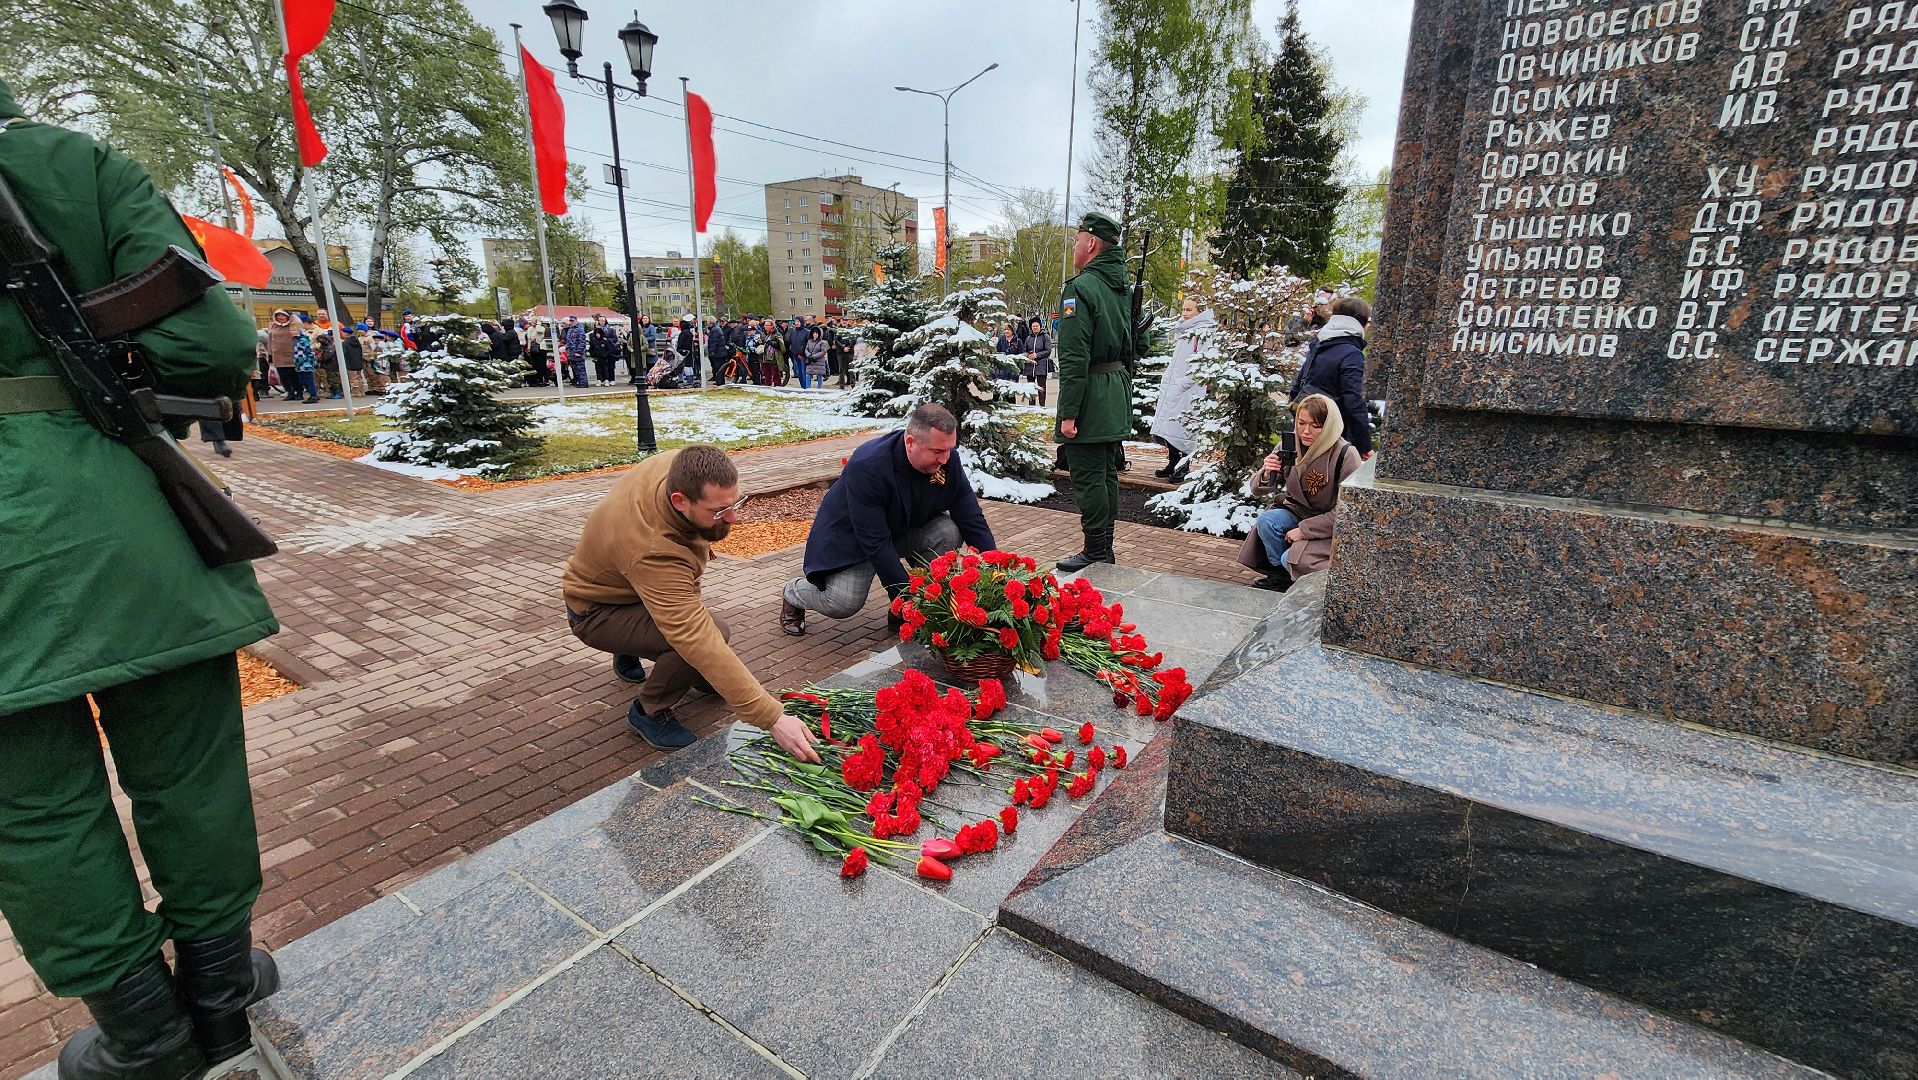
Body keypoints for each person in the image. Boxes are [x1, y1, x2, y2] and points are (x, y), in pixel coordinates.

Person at [0, 75, 283, 1079]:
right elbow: (209, 341)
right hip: (123, 526)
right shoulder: (70, 162)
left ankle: (144, 1039)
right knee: (190, 774)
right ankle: (219, 999)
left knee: (34, 814)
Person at [563, 445, 823, 759]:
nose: (733, 518)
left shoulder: (678, 466)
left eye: (735, 503)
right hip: (596, 610)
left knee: (706, 643)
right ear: (680, 501)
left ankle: (635, 648)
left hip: (627, 584)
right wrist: (773, 718)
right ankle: (648, 711)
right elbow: (694, 637)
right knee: (702, 639)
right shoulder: (653, 550)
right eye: (719, 512)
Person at [779, 404, 994, 634]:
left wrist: (995, 569)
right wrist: (903, 597)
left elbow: (971, 517)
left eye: (949, 449)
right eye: (937, 452)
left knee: (948, 531)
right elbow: (875, 540)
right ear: (910, 442)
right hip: (853, 541)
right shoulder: (868, 465)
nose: (945, 458)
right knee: (842, 602)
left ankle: (912, 609)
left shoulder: (947, 460)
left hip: (899, 531)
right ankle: (794, 593)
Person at [1053, 211, 1134, 572]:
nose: (1074, 247)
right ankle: (1104, 547)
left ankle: (1095, 550)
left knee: (1088, 476)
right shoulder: (1120, 287)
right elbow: (1136, 343)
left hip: (1091, 395)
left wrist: (1069, 413)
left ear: (1091, 244)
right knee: (1105, 474)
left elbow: (1074, 357)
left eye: (1076, 240)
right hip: (1114, 391)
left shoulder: (1081, 288)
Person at [1241, 394, 1362, 591]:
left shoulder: (1345, 455)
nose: (1305, 431)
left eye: (1315, 426)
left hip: (1327, 524)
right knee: (1268, 521)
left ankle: (1297, 569)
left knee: (1289, 558)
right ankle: (1281, 575)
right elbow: (1258, 490)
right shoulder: (1289, 445)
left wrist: (1304, 530)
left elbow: (1347, 512)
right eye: (1301, 423)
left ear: (1328, 425)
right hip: (1297, 511)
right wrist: (1268, 472)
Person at [1288, 296, 1375, 461]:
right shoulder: (1352, 353)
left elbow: (1297, 387)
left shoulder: (1320, 344)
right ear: (1362, 324)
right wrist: (1364, 445)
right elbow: (1353, 400)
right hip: (1332, 434)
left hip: (1307, 429)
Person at [1150, 297, 1211, 481]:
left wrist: (1183, 382)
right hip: (1176, 386)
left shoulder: (1204, 332)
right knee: (1171, 426)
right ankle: (1173, 460)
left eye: (1189, 310)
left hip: (1189, 389)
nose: (1184, 313)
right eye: (1183, 309)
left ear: (1200, 312)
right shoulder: (1184, 330)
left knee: (1185, 427)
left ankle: (1184, 465)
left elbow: (1202, 364)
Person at [265, 309, 299, 400]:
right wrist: (270, 354)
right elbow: (270, 341)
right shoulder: (273, 326)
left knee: (294, 375)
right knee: (283, 375)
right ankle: (289, 392)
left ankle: (298, 392)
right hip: (278, 355)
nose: (280, 317)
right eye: (278, 315)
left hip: (291, 354)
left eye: (282, 315)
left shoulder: (293, 325)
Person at [1024, 317, 1052, 406]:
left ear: (1040, 326)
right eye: (1033, 326)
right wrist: (1028, 355)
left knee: (1041, 387)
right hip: (1030, 365)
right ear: (1031, 327)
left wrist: (1037, 355)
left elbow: (1048, 350)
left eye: (1037, 326)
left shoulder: (1045, 336)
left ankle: (1042, 406)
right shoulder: (1028, 338)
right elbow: (1024, 350)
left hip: (1041, 365)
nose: (1035, 327)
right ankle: (1031, 406)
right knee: (1030, 387)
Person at [589, 318, 621, 385]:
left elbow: (615, 338)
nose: (602, 322)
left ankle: (611, 379)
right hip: (599, 351)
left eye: (603, 321)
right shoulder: (595, 331)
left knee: (610, 366)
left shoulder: (611, 330)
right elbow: (592, 341)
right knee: (599, 367)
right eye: (600, 321)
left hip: (609, 350)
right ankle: (602, 379)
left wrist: (606, 339)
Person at [561, 316, 590, 388]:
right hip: (571, 352)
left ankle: (583, 382)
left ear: (576, 321)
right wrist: (566, 348)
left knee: (580, 369)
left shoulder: (579, 329)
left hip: (578, 353)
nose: (572, 322)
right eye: (570, 321)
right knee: (575, 369)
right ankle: (578, 381)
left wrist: (579, 352)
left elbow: (582, 342)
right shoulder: (570, 329)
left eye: (573, 321)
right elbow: (568, 341)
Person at [787, 318, 814, 389]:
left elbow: (809, 345)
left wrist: (803, 353)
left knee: (804, 371)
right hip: (795, 355)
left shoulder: (807, 332)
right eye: (795, 321)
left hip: (804, 355)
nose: (796, 323)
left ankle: (806, 387)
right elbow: (790, 341)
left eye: (798, 321)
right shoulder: (793, 331)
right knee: (799, 372)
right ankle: (802, 386)